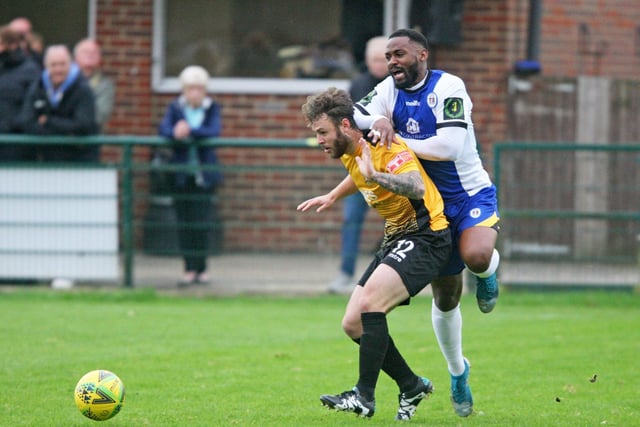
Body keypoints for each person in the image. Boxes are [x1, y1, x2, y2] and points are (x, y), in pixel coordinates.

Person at [298, 87, 452, 420]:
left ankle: (363, 396)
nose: (320, 140)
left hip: (427, 235)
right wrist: (334, 194)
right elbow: (359, 175)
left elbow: (415, 185)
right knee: (353, 324)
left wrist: (374, 174)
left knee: (371, 307)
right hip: (396, 238)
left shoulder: (385, 146)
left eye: (323, 132)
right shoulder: (348, 150)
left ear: (345, 125)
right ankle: (411, 385)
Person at [353, 29, 501, 315]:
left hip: (470, 193)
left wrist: (395, 138)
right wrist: (380, 118)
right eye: (388, 57)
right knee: (445, 296)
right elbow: (354, 111)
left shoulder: (449, 86)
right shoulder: (389, 89)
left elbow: (448, 148)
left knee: (477, 256)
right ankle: (456, 363)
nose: (392, 62)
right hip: (432, 204)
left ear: (422, 55)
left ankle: (487, 275)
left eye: (399, 54)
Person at [328, 35, 388, 294]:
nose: (378, 64)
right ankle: (345, 273)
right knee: (351, 218)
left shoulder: (397, 87)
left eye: (382, 59)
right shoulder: (358, 85)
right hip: (360, 167)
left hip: (390, 167)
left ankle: (390, 276)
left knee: (400, 221)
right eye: (373, 59)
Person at [158, 65, 223, 287]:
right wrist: (175, 132)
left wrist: (189, 131)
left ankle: (202, 268)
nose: (194, 93)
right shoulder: (175, 108)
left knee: (201, 222)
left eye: (198, 88)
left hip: (203, 176)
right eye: (190, 88)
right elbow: (164, 129)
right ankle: (188, 268)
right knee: (183, 222)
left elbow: (213, 130)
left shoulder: (211, 107)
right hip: (181, 176)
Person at [16, 44, 98, 162]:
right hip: (45, 160)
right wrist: (57, 131)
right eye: (54, 65)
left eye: (62, 64)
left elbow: (83, 125)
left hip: (79, 160)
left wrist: (48, 121)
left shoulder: (83, 89)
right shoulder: (38, 87)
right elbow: (26, 121)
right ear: (46, 66)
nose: (58, 70)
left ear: (71, 64)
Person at [0, 25, 41, 161]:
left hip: (17, 144)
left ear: (13, 45)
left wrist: (12, 125)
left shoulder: (30, 71)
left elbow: (32, 107)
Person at [73, 38, 115, 133]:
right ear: (75, 57)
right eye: (85, 52)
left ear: (100, 58)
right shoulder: (64, 81)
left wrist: (70, 123)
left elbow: (99, 116)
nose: (90, 55)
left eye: (94, 52)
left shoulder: (105, 86)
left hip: (90, 140)